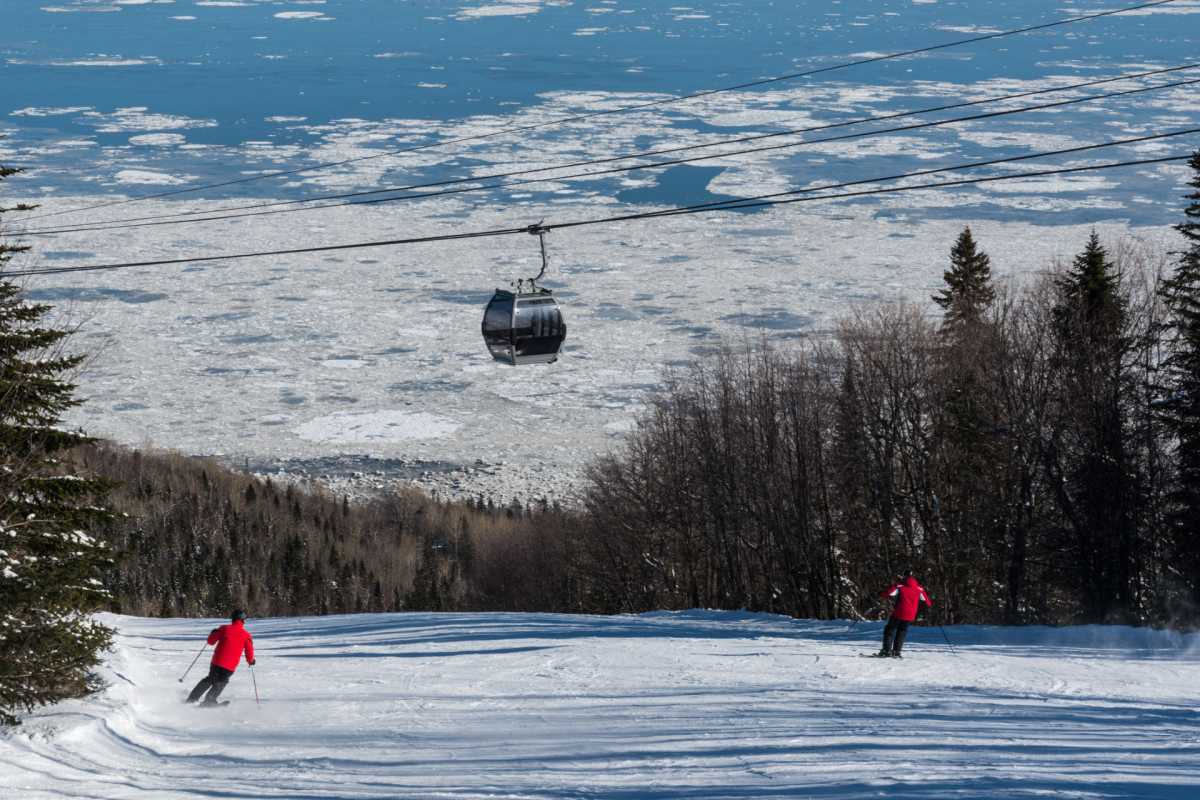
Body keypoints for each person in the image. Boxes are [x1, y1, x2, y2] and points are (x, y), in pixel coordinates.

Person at [186, 609, 255, 706]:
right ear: (243, 621)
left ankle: (192, 698)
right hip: (230, 665)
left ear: (232, 619)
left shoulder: (223, 628)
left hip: (217, 661)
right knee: (221, 682)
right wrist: (251, 661)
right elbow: (249, 652)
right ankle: (209, 700)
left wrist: (213, 633)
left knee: (210, 679)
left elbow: (210, 642)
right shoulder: (247, 635)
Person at [877, 569, 931, 658]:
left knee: (890, 629)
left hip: (899, 612)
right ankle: (896, 652)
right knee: (901, 632)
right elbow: (926, 601)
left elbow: (889, 593)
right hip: (910, 615)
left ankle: (886, 651)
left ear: (904, 576)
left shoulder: (899, 585)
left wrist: (880, 594)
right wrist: (930, 606)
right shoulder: (919, 588)